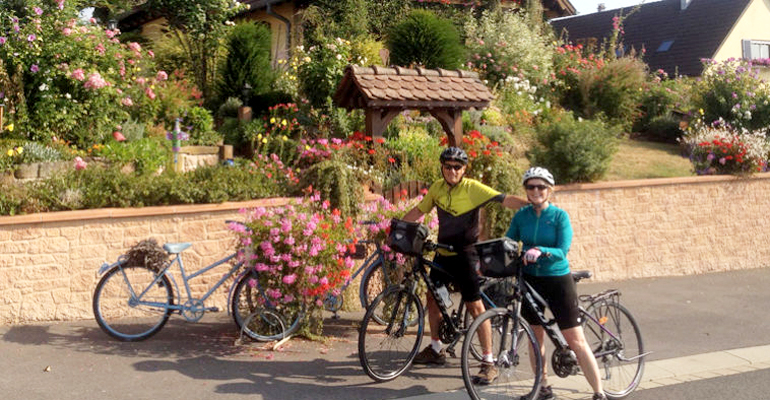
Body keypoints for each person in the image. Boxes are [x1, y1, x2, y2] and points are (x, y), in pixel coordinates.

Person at [402, 146, 526, 385]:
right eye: (448, 166)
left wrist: (532, 202)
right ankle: (436, 348)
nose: (452, 171)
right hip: (442, 252)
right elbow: (419, 210)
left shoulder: (473, 189)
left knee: (475, 307)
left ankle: (488, 363)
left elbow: (504, 199)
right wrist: (396, 224)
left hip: (466, 255)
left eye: (457, 167)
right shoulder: (437, 187)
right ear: (442, 167)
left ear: (464, 169)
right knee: (432, 296)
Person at [505, 167, 607, 400]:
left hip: (558, 280)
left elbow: (562, 250)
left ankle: (598, 392)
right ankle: (543, 387)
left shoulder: (559, 216)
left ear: (549, 190)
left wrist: (541, 250)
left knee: (575, 340)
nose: (536, 191)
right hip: (531, 281)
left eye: (541, 186)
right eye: (531, 186)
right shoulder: (521, 216)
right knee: (534, 337)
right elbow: (509, 242)